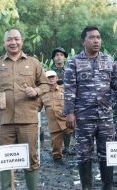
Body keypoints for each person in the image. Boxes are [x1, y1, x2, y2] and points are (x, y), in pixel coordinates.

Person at [0, 28, 49, 190]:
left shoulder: (33, 63)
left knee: (31, 158)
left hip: (28, 121)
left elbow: (45, 84)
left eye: (16, 39)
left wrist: (36, 91)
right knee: (6, 159)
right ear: (4, 43)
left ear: (22, 41)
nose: (13, 42)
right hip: (4, 121)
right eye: (9, 40)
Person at [64, 26, 117, 189]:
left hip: (105, 118)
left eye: (98, 37)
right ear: (83, 41)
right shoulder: (73, 62)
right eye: (92, 37)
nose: (96, 40)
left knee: (107, 154)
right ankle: (87, 187)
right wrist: (69, 113)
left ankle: (107, 186)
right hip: (83, 118)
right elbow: (69, 89)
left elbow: (115, 84)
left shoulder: (109, 61)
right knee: (84, 155)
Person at [38, 70, 73, 165]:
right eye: (48, 77)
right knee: (56, 143)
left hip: (66, 119)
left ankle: (68, 149)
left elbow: (72, 102)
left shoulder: (64, 90)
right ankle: (57, 158)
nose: (51, 79)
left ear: (57, 78)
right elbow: (37, 107)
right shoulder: (42, 93)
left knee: (72, 134)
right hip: (53, 122)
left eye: (53, 77)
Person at [51, 47, 74, 155]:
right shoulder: (49, 72)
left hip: (66, 99)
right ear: (54, 58)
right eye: (56, 55)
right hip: (53, 100)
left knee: (68, 125)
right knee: (55, 126)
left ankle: (67, 148)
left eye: (61, 55)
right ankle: (57, 150)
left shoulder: (69, 70)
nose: (59, 57)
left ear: (64, 58)